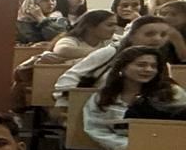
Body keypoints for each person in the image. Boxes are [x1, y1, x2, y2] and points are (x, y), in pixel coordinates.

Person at [84, 46, 186, 150]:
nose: (148, 70)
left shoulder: (172, 93)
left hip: (169, 148)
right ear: (123, 67)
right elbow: (95, 129)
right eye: (141, 65)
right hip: (121, 149)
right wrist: (129, 145)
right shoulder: (103, 96)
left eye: (153, 66)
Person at [53, 14, 181, 105]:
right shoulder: (111, 52)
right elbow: (70, 77)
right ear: (132, 36)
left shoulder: (162, 64)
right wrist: (65, 105)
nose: (157, 39)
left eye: (163, 35)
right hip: (96, 109)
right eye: (149, 34)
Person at [51, 9, 119, 60]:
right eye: (110, 25)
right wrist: (105, 53)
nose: (115, 29)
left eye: (115, 25)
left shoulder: (112, 39)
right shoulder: (72, 40)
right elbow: (62, 50)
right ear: (90, 27)